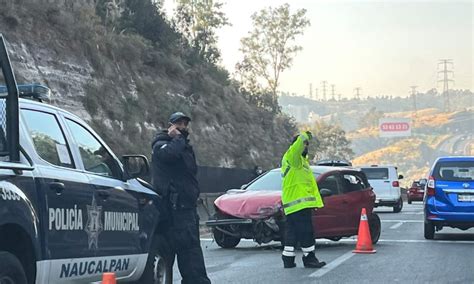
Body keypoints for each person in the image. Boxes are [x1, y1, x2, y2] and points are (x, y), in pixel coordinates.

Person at [151, 112, 211, 284]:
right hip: (175, 209)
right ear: (170, 126)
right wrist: (177, 139)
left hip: (187, 208)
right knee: (188, 252)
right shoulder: (161, 144)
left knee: (191, 252)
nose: (183, 127)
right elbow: (168, 155)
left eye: (185, 124)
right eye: (179, 124)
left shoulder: (183, 146)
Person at [280, 131, 326, 269]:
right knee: (306, 231)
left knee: (292, 232)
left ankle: (288, 259)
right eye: (305, 146)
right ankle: (309, 258)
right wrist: (305, 136)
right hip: (298, 204)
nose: (306, 148)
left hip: (293, 204)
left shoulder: (300, 162)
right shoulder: (293, 157)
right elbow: (297, 146)